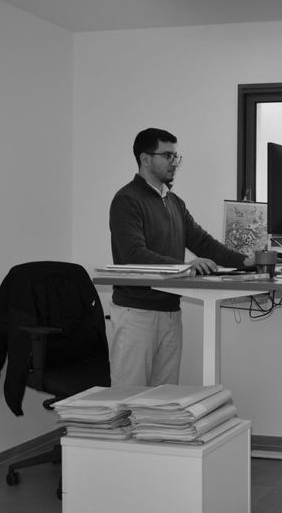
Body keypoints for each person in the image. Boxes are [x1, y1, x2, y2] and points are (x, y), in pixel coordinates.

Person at [108, 127, 253, 387]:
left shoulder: (174, 202)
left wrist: (247, 262)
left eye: (176, 156)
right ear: (145, 159)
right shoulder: (126, 200)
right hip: (137, 312)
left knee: (164, 402)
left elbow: (203, 243)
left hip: (170, 312)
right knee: (126, 401)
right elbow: (134, 254)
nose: (174, 162)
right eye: (167, 156)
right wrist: (184, 267)